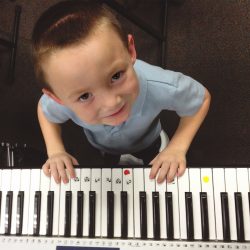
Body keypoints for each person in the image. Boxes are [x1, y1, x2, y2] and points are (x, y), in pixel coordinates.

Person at [32, 0, 211, 185]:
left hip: (149, 140)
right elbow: (45, 111)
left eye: (116, 76)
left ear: (130, 50)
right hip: (102, 145)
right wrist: (55, 151)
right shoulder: (60, 99)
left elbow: (201, 99)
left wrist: (177, 148)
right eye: (84, 96)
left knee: (152, 154)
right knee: (109, 159)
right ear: (57, 98)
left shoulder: (161, 85)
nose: (111, 103)